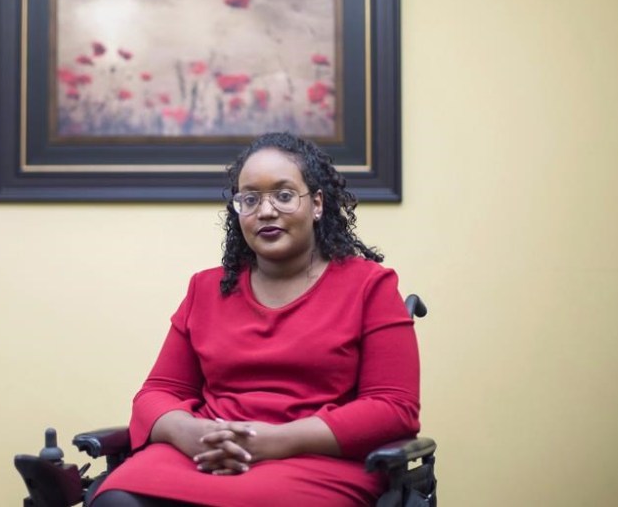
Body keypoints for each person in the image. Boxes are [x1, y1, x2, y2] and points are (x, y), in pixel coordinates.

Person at [91, 132, 420, 507]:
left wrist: (277, 441)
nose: (265, 211)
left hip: (316, 459)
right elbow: (157, 393)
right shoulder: (205, 288)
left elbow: (394, 409)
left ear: (316, 204)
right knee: (116, 499)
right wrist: (190, 433)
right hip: (207, 453)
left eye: (284, 195)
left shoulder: (370, 286)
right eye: (250, 199)